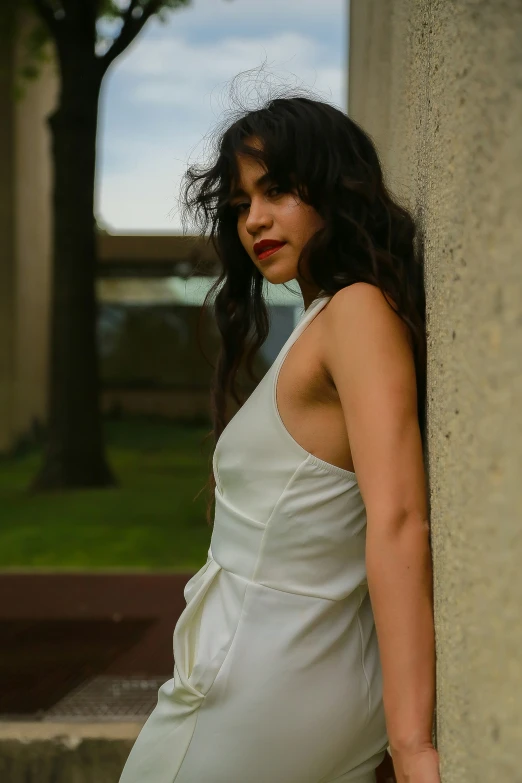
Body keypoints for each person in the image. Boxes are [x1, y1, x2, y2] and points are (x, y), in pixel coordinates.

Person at [118, 94, 440, 783]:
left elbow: (400, 517)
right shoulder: (329, 316)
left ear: (335, 186)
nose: (255, 219)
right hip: (289, 678)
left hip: (264, 684)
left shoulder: (354, 311)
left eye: (279, 190)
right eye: (240, 203)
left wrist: (413, 741)